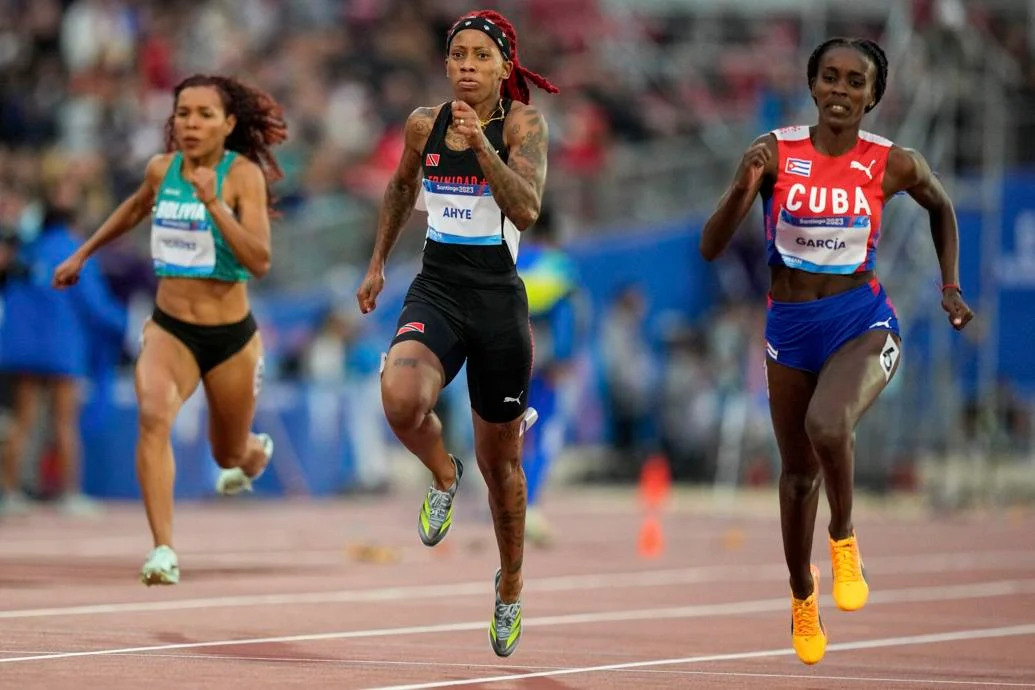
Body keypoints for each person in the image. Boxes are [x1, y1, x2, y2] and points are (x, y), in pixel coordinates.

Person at [700, 37, 974, 665]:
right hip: (789, 329)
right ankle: (802, 594)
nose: (841, 92)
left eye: (856, 82)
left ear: (874, 96)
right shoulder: (775, 153)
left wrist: (950, 287)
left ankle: (844, 537)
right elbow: (712, 246)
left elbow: (942, 206)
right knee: (797, 477)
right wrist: (744, 184)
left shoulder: (893, 163)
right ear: (812, 85)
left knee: (829, 424)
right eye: (830, 78)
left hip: (862, 321)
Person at [355, 9, 558, 657]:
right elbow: (399, 186)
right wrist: (378, 261)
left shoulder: (524, 125)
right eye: (458, 55)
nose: (467, 66)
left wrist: (484, 150)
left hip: (497, 302)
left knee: (504, 468)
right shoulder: (424, 123)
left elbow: (526, 207)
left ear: (505, 67)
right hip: (437, 287)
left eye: (480, 56)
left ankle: (510, 587)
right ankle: (443, 475)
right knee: (399, 398)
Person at [53, 74, 288, 586]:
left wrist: (213, 204)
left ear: (227, 125)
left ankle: (253, 452)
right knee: (153, 416)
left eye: (204, 114)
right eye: (183, 113)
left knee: (229, 453)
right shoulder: (162, 169)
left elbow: (260, 260)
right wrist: (83, 252)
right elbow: (136, 206)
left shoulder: (241, 175)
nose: (191, 123)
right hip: (170, 329)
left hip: (229, 339)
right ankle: (162, 549)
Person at [0, 197, 126, 516]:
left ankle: (10, 493)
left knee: (23, 420)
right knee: (64, 422)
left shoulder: (28, 249)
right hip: (61, 346)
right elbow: (94, 303)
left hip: (23, 348)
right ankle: (70, 494)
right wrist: (126, 325)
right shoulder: (76, 251)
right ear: (72, 224)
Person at [515, 214, 580, 546]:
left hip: (509, 355)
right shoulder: (560, 266)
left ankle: (507, 495)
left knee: (511, 431)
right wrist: (563, 358)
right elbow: (567, 315)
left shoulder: (512, 259)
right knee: (545, 433)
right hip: (546, 360)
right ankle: (531, 503)